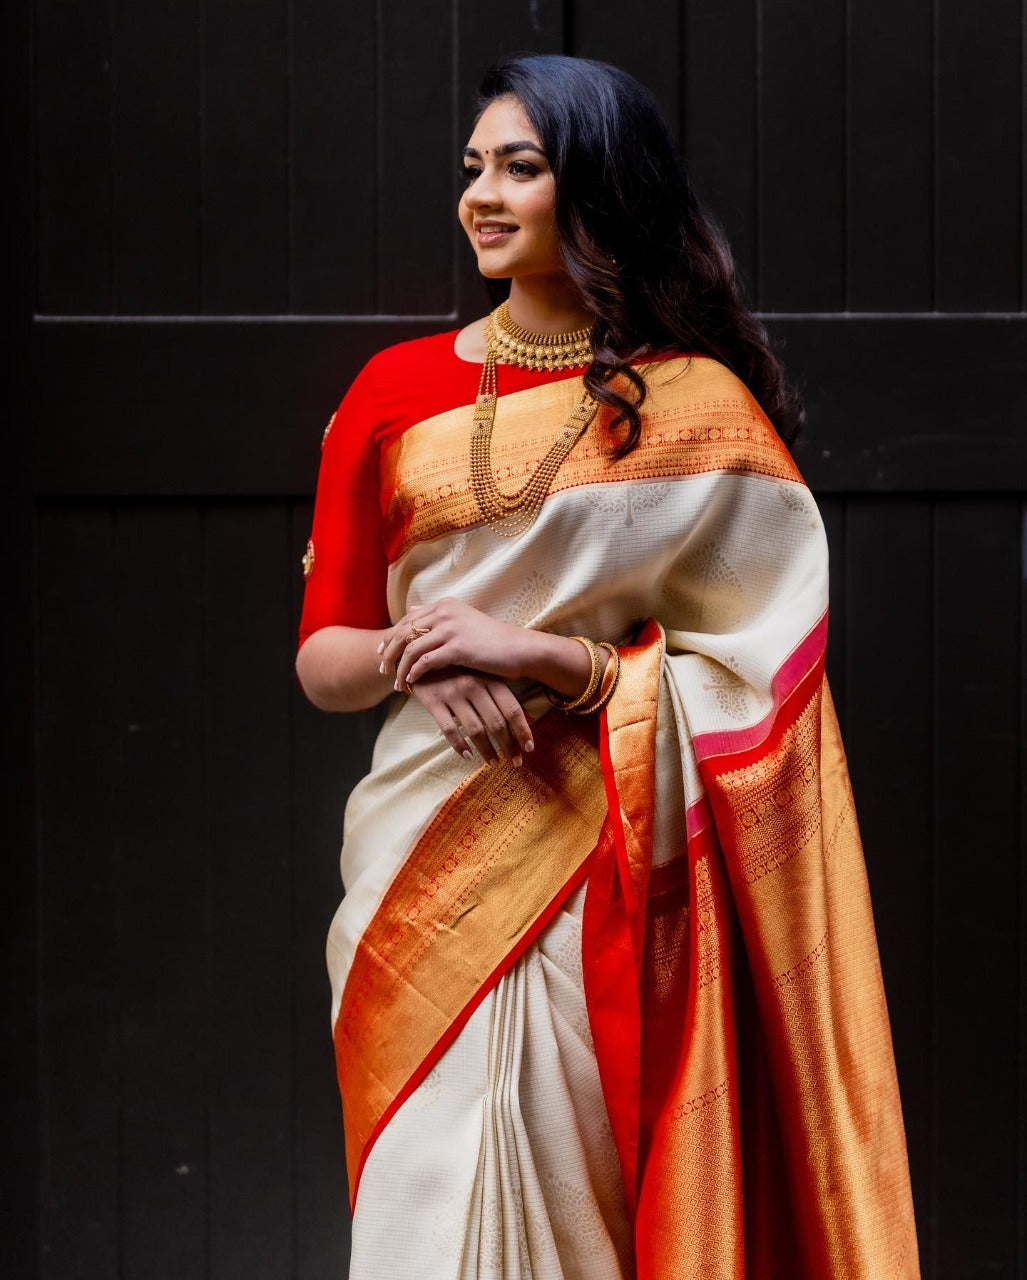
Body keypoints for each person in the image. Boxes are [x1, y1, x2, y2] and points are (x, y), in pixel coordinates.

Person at [296, 53, 919, 1280]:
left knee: (582, 1196)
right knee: (425, 1195)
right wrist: (420, 655)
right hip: (420, 852)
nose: (482, 194)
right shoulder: (391, 392)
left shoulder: (693, 405)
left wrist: (546, 658)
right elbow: (325, 659)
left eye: (519, 167)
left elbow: (765, 675)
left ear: (597, 185)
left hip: (610, 865)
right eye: (472, 168)